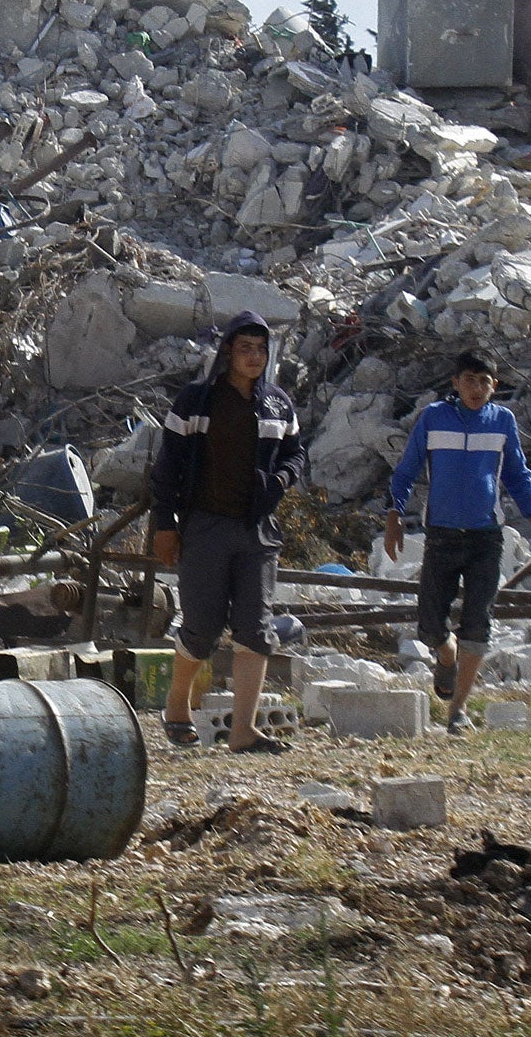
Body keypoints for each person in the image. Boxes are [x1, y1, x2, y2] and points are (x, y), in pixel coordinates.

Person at [149, 310, 306, 751]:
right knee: (201, 629)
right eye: (245, 348)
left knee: (255, 630)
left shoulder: (278, 404)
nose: (254, 357)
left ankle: (243, 731)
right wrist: (165, 524)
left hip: (257, 531)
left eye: (261, 349)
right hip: (205, 526)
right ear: (227, 353)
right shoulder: (196, 401)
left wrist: (281, 480)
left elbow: (296, 455)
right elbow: (168, 466)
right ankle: (177, 705)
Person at [384, 350, 531, 734]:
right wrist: (393, 516)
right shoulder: (433, 418)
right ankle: (446, 652)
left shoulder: (502, 421)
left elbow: (518, 476)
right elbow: (406, 470)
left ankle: (457, 710)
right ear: (455, 383)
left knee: (478, 623)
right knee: (429, 624)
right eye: (470, 380)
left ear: (495, 386)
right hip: (441, 535)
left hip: (485, 537)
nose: (477, 388)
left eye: (485, 381)